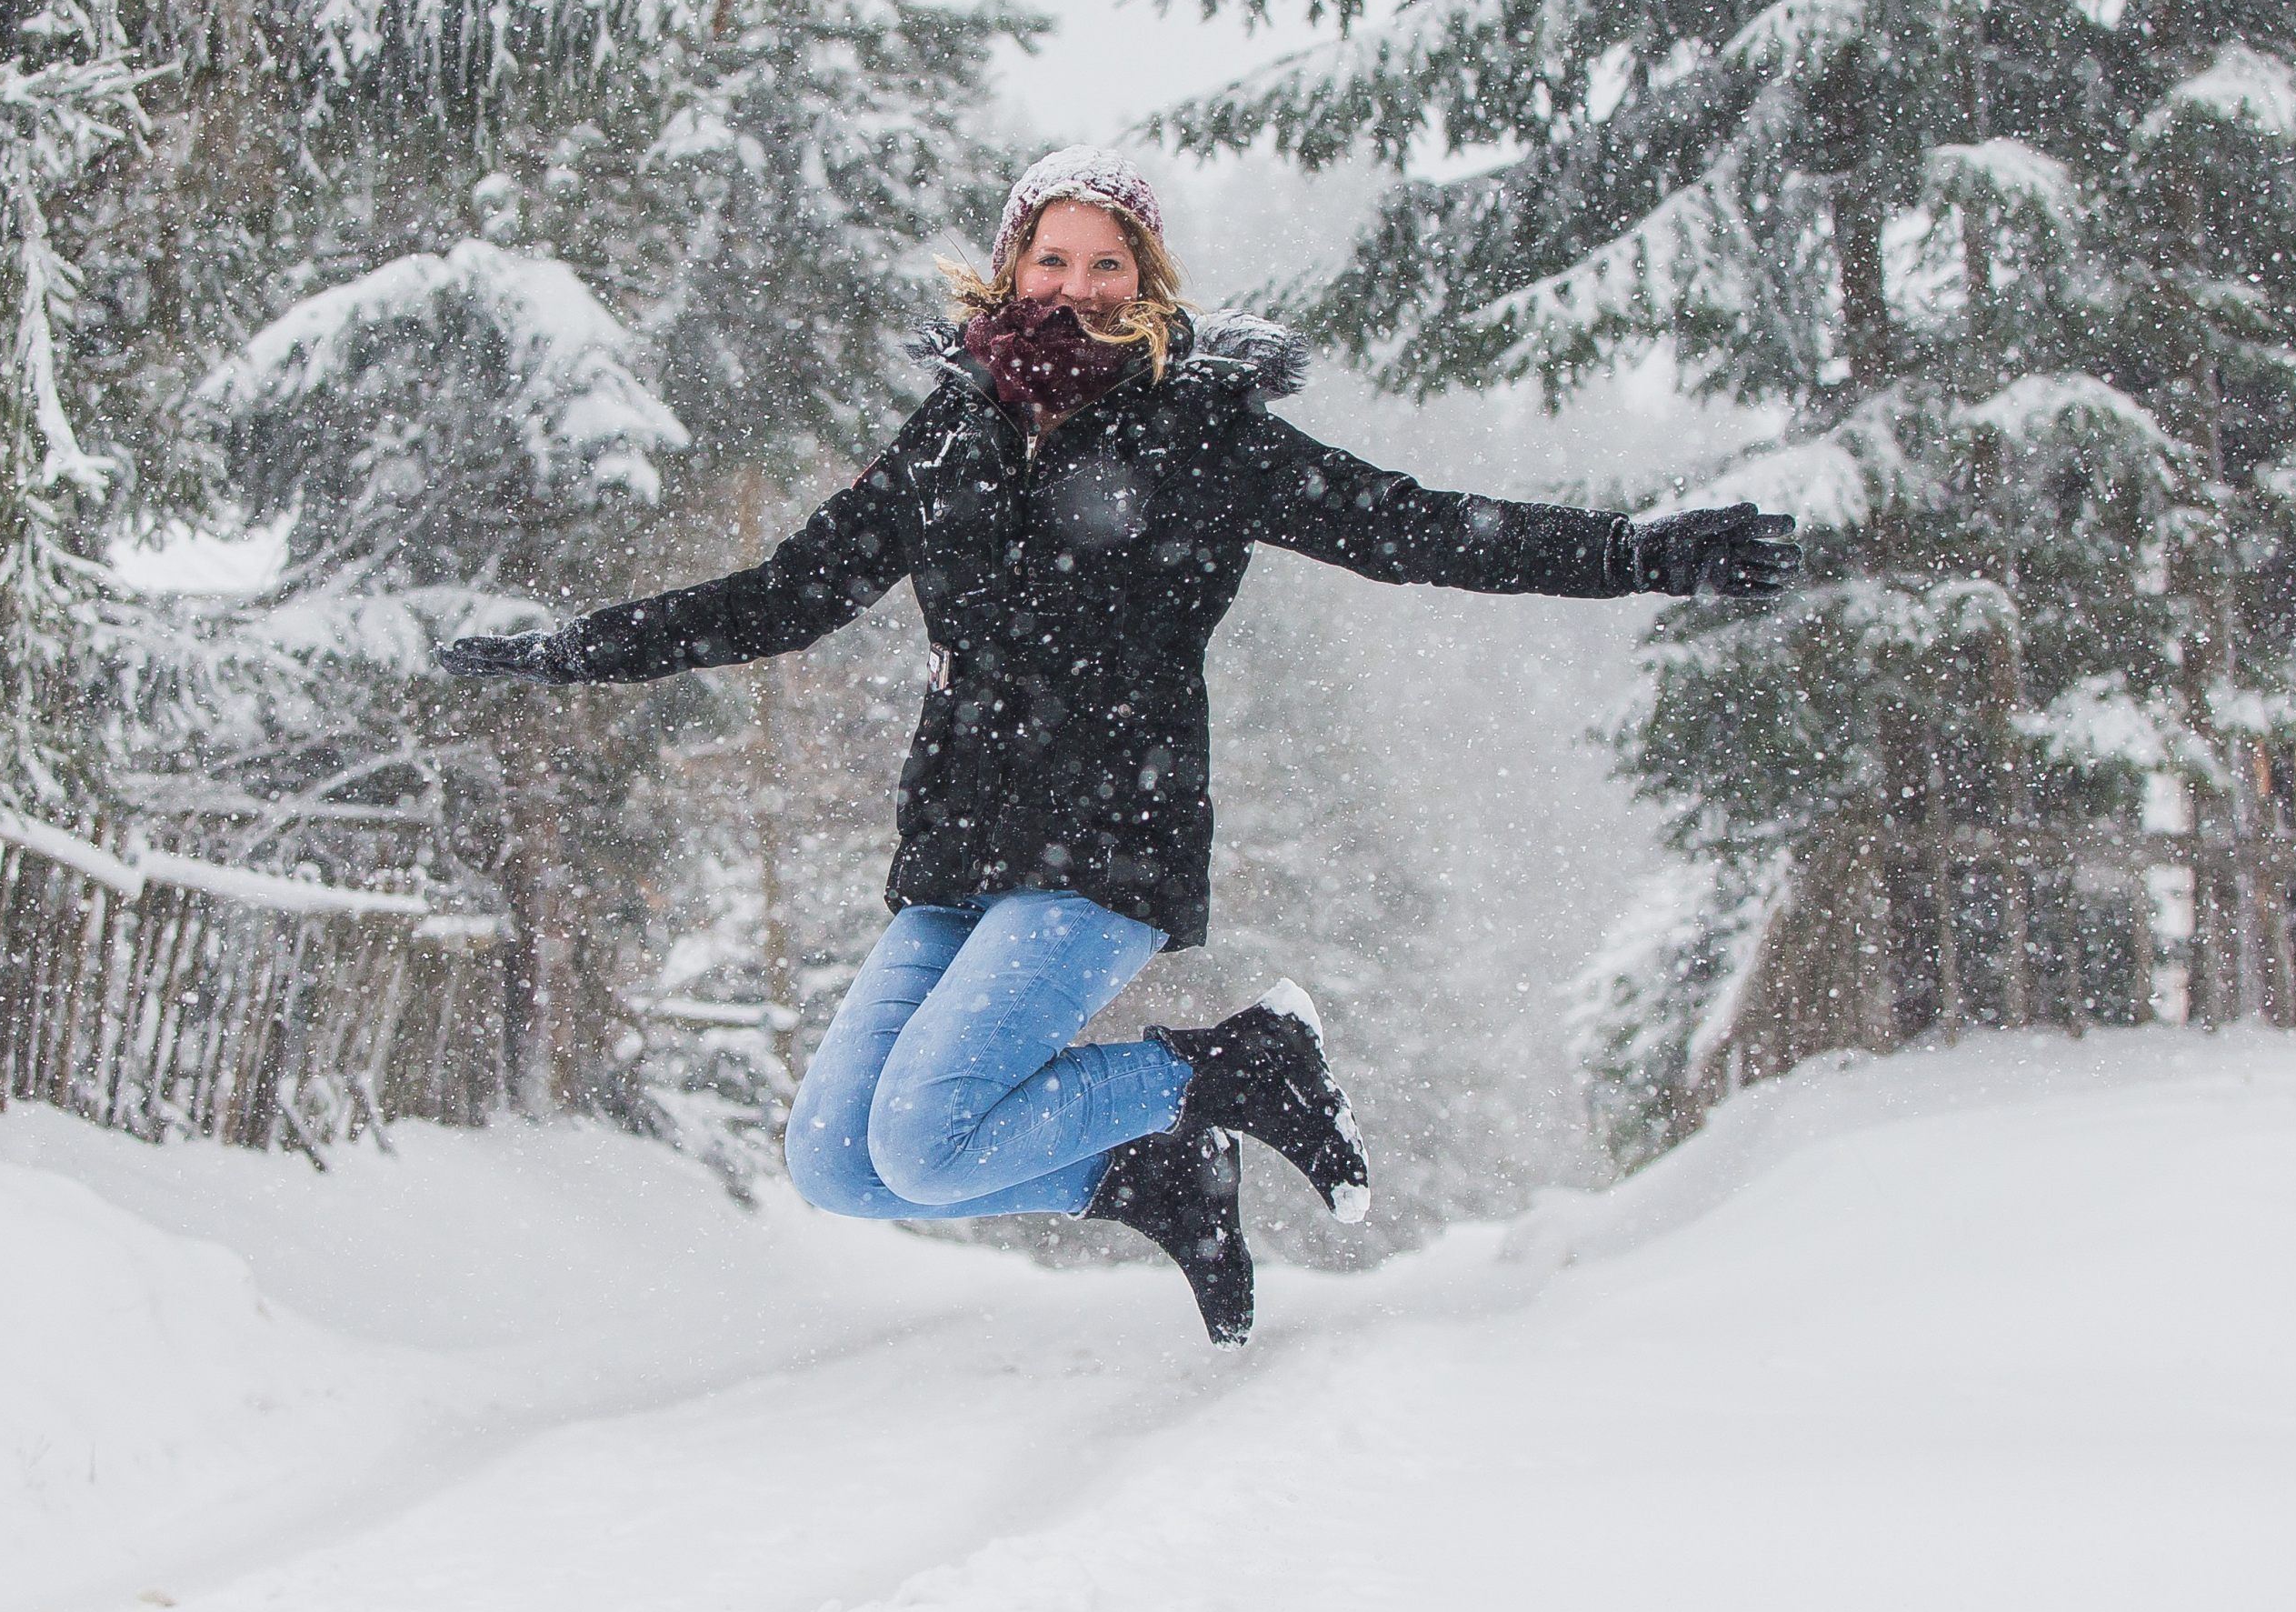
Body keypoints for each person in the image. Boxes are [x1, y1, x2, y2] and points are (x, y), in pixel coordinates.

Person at [444, 147, 1798, 1345]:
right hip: (959, 840)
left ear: (1145, 279)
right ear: (1009, 267)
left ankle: (1235, 1064)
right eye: (1053, 255)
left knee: (924, 1138)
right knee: (840, 1165)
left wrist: (1635, 553)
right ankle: (1148, 1173)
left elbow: (1413, 526)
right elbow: (779, 598)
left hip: (1107, 834)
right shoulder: (948, 437)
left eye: (1108, 261)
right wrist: (575, 651)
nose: (1077, 283)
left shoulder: (1199, 428)